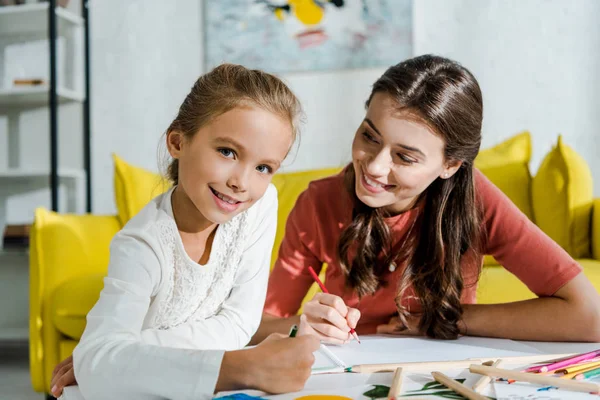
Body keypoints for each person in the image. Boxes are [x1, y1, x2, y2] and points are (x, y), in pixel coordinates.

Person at [254, 54, 600, 346]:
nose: (374, 166)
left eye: (405, 157)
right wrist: (304, 326)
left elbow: (589, 317)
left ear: (450, 165)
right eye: (369, 137)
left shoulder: (476, 200)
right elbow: (257, 325)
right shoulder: (319, 202)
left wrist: (446, 319)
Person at [50, 64, 319, 400]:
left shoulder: (260, 207)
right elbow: (99, 363)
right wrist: (239, 367)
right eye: (227, 152)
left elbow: (240, 323)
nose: (241, 182)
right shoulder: (143, 244)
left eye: (263, 167)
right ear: (178, 142)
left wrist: (124, 355)